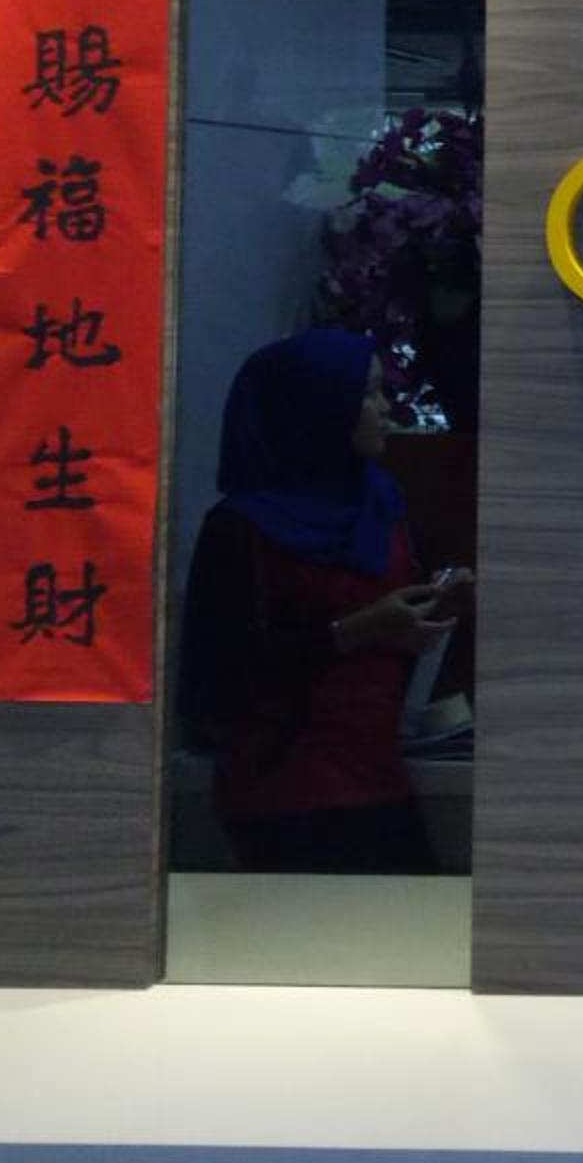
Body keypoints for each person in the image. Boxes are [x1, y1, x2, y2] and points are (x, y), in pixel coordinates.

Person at [177, 328, 471, 872]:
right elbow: (217, 682)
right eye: (368, 394)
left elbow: (389, 628)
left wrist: (436, 606)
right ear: (319, 406)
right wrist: (354, 630)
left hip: (379, 774)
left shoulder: (381, 504)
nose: (385, 409)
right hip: (284, 792)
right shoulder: (242, 528)